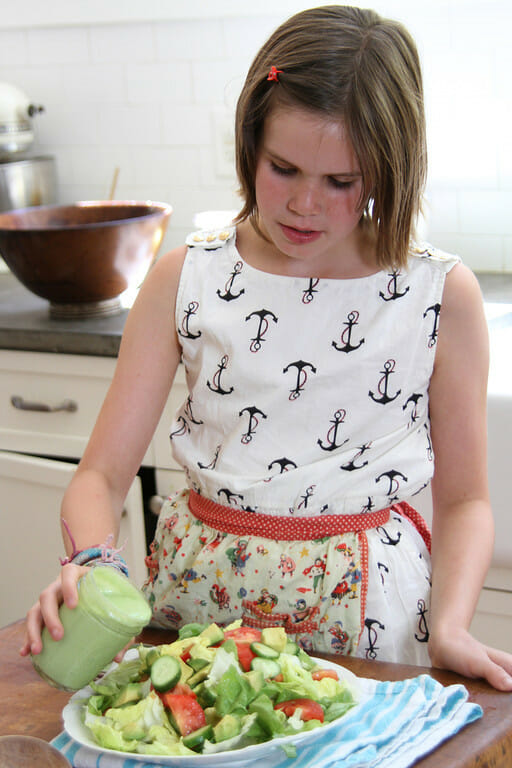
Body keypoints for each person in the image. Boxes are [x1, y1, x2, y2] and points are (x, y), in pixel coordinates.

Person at [21, 5, 512, 691]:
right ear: (251, 141)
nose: (305, 204)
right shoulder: (185, 276)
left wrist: (454, 624)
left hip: (375, 626)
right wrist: (94, 567)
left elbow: (465, 503)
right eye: (283, 168)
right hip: (195, 619)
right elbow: (99, 477)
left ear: (390, 169)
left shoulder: (438, 293)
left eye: (342, 182)